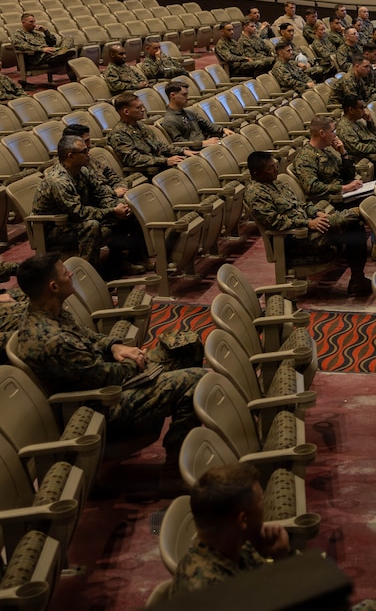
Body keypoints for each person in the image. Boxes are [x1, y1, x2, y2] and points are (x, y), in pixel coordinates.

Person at [15, 253, 204, 489]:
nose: (71, 274)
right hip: (103, 405)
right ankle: (174, 473)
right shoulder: (51, 341)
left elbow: (88, 337)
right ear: (53, 286)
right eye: (66, 273)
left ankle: (183, 439)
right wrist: (135, 360)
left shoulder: (50, 311)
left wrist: (115, 346)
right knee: (196, 380)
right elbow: (104, 376)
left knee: (185, 346)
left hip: (108, 380)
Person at [244, 151, 370, 296]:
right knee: (354, 219)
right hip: (295, 238)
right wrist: (308, 223)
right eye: (270, 168)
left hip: (309, 228)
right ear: (257, 174)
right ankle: (359, 278)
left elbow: (300, 204)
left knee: (354, 225)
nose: (275, 170)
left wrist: (317, 213)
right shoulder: (256, 194)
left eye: (275, 166)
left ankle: (358, 280)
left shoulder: (276, 182)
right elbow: (275, 222)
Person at [33, 135, 149, 276]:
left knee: (127, 209)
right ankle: (90, 276)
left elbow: (101, 193)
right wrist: (112, 211)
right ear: (70, 156)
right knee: (91, 225)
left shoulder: (82, 170)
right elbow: (78, 213)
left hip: (74, 220)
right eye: (84, 151)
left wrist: (119, 206)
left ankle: (121, 262)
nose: (89, 153)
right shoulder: (59, 180)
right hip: (54, 228)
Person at [172, 463, 291, 595]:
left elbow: (270, 588)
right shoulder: (207, 590)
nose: (264, 502)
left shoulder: (235, 545)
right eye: (261, 499)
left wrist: (281, 556)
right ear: (243, 519)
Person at [107, 92, 197, 176]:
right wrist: (165, 161)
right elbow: (134, 159)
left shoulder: (140, 125)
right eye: (138, 108)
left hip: (160, 164)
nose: (143, 110)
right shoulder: (118, 134)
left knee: (192, 162)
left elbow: (159, 145)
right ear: (126, 112)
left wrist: (182, 151)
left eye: (142, 106)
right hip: (147, 172)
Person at [292, 116, 367, 206]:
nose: (335, 135)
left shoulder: (326, 151)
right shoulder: (305, 157)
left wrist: (343, 154)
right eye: (332, 132)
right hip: (332, 202)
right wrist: (344, 188)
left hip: (343, 195)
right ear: (322, 133)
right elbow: (312, 187)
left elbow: (348, 176)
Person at [160, 81, 234, 147]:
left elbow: (206, 125)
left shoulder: (189, 113)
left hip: (205, 144)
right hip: (196, 150)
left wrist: (222, 129)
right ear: (172, 95)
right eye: (184, 95)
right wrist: (203, 143)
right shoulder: (169, 120)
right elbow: (180, 143)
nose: (187, 98)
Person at [337, 95, 376, 181]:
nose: (364, 111)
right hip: (366, 162)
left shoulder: (358, 121)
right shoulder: (344, 128)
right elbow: (357, 148)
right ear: (351, 110)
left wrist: (369, 122)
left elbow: (373, 137)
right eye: (361, 108)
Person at [11, 13, 75, 72]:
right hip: (38, 57)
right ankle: (62, 54)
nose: (34, 24)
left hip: (50, 51)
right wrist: (42, 49)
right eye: (31, 22)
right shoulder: (18, 33)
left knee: (69, 38)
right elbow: (21, 46)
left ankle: (61, 53)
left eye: (34, 21)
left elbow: (52, 42)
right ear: (23, 22)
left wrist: (45, 31)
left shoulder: (36, 33)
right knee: (69, 56)